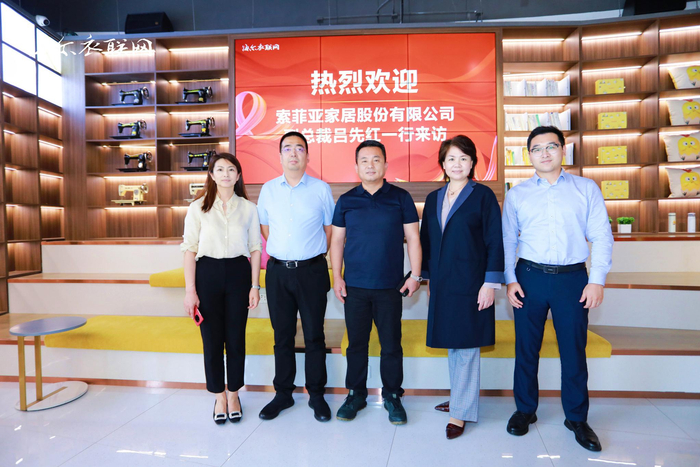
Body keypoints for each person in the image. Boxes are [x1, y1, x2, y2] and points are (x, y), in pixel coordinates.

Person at [502, 126, 613, 452]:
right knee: (526, 349)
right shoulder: (517, 194)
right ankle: (525, 410)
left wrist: (597, 280)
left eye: (551, 146)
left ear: (563, 150)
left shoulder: (585, 188)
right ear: (529, 155)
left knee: (573, 351)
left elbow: (602, 236)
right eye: (537, 149)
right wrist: (510, 279)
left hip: (573, 280)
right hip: (529, 278)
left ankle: (576, 418)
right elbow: (507, 240)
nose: (545, 153)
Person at [330, 140, 421, 426]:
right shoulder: (346, 200)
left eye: (376, 159)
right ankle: (355, 394)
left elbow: (414, 238)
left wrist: (416, 275)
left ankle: (392, 395)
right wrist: (337, 277)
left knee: (391, 345)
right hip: (355, 287)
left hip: (390, 287)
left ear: (385, 164)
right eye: (364, 160)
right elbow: (337, 241)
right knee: (356, 344)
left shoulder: (401, 197)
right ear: (356, 167)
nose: (370, 165)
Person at [419, 135, 504, 440]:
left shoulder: (483, 196)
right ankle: (460, 397)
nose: (457, 164)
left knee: (467, 345)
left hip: (472, 283)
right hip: (443, 283)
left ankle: (460, 412)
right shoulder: (433, 198)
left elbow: (495, 240)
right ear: (443, 164)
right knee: (453, 343)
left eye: (464, 158)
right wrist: (429, 279)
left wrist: (490, 284)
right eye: (451, 158)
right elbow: (428, 241)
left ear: (472, 163)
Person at [256, 131, 335, 422]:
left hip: (312, 271)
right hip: (278, 272)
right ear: (280, 156)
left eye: (299, 148)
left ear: (307, 156)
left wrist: (309, 254)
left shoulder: (321, 189)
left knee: (315, 335)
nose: (293, 153)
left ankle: (316, 394)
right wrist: (286, 253)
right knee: (282, 336)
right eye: (287, 148)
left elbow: (329, 230)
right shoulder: (268, 189)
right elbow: (265, 229)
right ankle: (283, 394)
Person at [181, 153, 262, 425]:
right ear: (211, 175)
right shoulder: (197, 208)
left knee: (236, 339)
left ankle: (234, 394)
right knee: (212, 340)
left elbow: (255, 248)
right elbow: (189, 250)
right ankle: (219, 396)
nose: (226, 174)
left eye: (231, 169)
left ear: (238, 175)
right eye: (220, 169)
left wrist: (254, 286)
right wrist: (190, 291)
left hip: (239, 273)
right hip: (207, 274)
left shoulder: (249, 208)